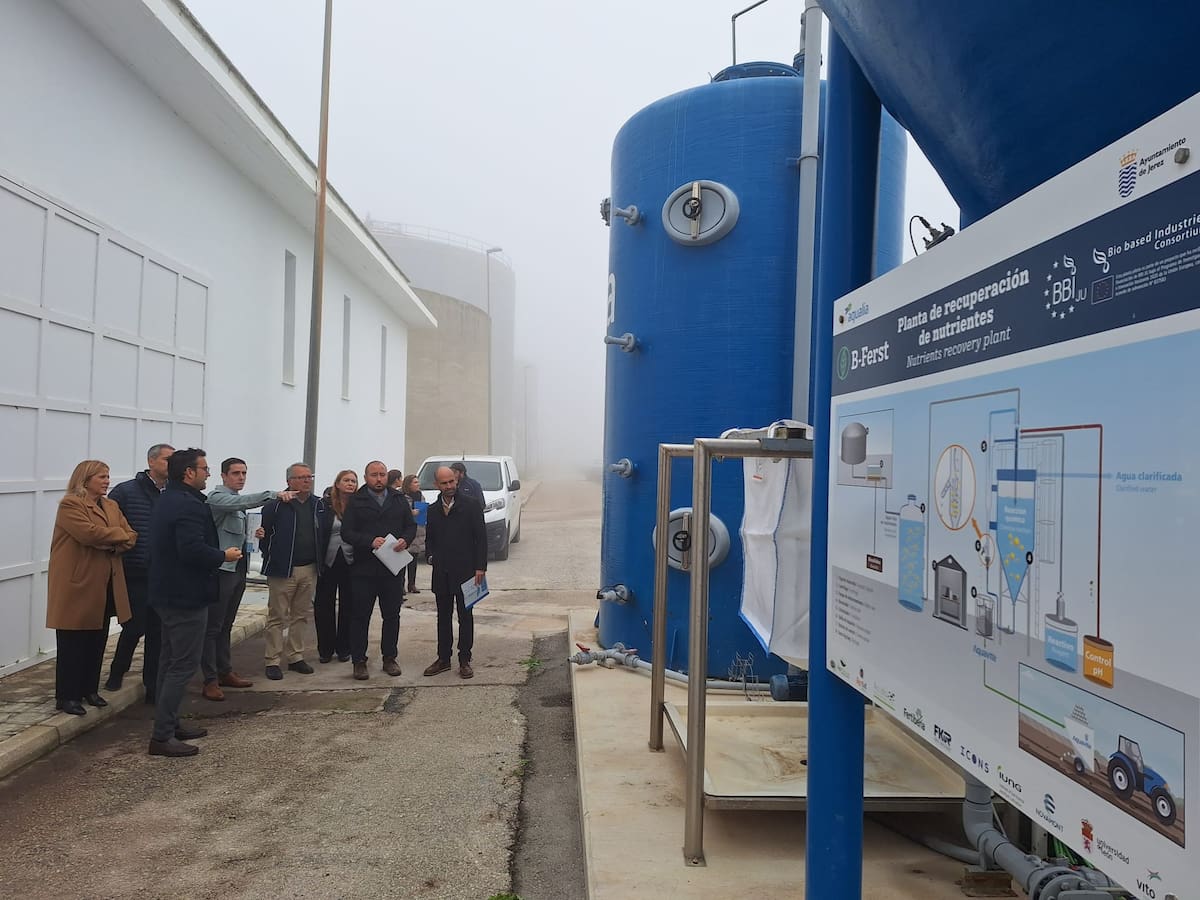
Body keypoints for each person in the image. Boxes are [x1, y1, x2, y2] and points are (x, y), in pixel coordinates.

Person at [148, 448, 240, 757]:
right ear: (189, 473)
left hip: (168, 593)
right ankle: (162, 736)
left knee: (169, 661)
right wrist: (223, 555)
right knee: (183, 665)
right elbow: (190, 550)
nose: (208, 474)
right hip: (184, 595)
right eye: (204, 469)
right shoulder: (186, 504)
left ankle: (170, 724)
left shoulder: (168, 498)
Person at [47, 461, 138, 716]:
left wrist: (111, 540)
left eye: (108, 476)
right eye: (102, 477)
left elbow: (131, 535)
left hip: (105, 583)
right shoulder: (70, 504)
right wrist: (116, 535)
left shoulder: (111, 505)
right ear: (85, 479)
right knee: (72, 642)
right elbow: (88, 534)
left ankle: (89, 689)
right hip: (78, 584)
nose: (107, 481)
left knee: (97, 639)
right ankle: (67, 696)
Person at [201, 458, 296, 700]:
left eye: (243, 473)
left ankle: (224, 671)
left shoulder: (236, 502)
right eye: (235, 473)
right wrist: (273, 494)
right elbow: (241, 502)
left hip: (238, 568)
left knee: (226, 625)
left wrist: (255, 534)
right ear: (223, 476)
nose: (241, 477)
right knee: (213, 627)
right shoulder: (217, 498)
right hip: (221, 570)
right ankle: (210, 679)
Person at [105, 443, 173, 700]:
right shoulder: (126, 491)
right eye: (166, 460)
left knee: (158, 631)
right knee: (134, 626)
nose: (171, 465)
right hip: (134, 570)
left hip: (163, 574)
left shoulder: (174, 493)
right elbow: (109, 525)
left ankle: (152, 687)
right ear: (151, 461)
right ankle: (117, 672)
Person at [341, 461, 416, 680]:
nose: (379, 479)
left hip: (392, 569)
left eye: (382, 474)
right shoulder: (356, 501)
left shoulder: (398, 499)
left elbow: (410, 526)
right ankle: (359, 661)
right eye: (374, 475)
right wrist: (369, 541)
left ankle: (389, 658)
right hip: (364, 569)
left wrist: (405, 540)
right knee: (360, 616)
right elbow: (347, 532)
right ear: (366, 478)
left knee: (391, 615)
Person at [259, 462, 326, 680]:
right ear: (289, 481)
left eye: (309, 476)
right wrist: (273, 558)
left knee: (301, 615)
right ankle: (272, 660)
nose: (307, 480)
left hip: (309, 568)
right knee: (277, 616)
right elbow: (263, 536)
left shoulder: (318, 505)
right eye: (301, 477)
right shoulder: (275, 506)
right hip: (283, 570)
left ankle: (296, 656)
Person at [423, 465, 487, 679]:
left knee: (465, 617)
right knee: (443, 617)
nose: (449, 486)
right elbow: (430, 539)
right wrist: (431, 557)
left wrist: (480, 567)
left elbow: (481, 538)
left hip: (467, 572)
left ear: (456, 480)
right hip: (442, 572)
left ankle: (464, 660)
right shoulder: (433, 510)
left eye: (452, 481)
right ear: (437, 485)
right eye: (444, 483)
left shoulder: (471, 505)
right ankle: (443, 659)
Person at [315, 469, 358, 664]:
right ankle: (325, 649)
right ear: (338, 483)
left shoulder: (358, 505)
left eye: (353, 481)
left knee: (349, 605)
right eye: (346, 480)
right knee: (324, 605)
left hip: (351, 561)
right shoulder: (325, 504)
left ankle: (344, 648)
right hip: (328, 561)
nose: (350, 484)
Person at [402, 474, 427, 593]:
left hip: (418, 530)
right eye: (415, 482)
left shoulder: (421, 496)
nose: (418, 484)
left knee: (414, 559)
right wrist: (410, 513)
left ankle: (412, 584)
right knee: (402, 560)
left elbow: (424, 510)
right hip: (406, 531)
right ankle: (401, 586)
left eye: (418, 482)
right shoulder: (402, 497)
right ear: (408, 484)